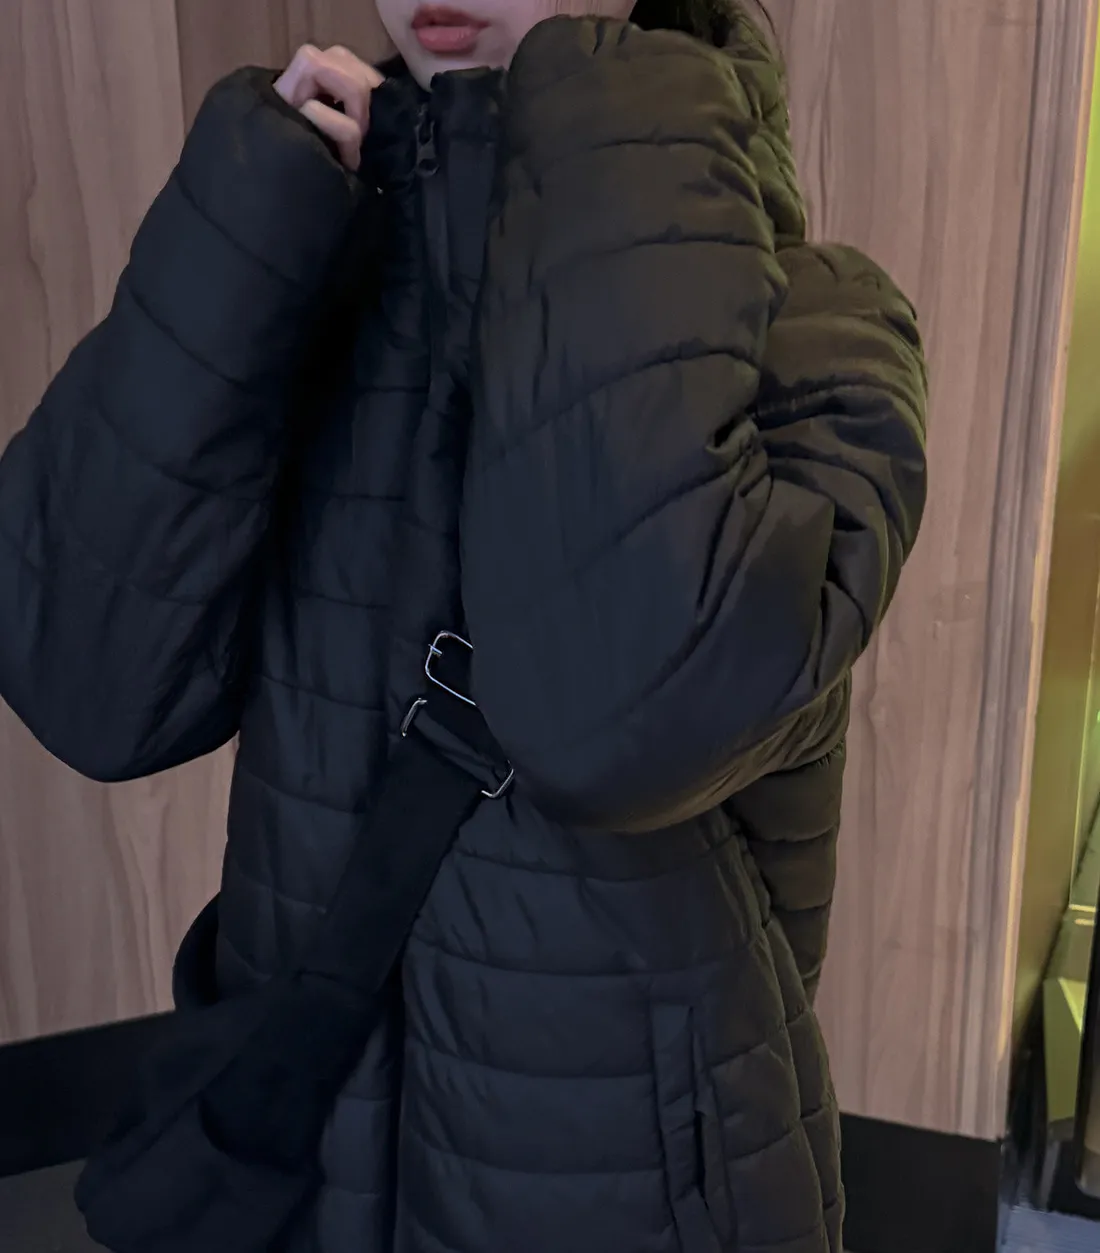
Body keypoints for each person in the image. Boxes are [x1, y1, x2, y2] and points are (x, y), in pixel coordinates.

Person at [0, 1, 928, 1250]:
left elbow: (617, 718)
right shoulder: (315, 260)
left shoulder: (816, 327)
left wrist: (614, 119)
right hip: (299, 1139)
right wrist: (241, 225)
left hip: (621, 1187)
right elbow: (88, 686)